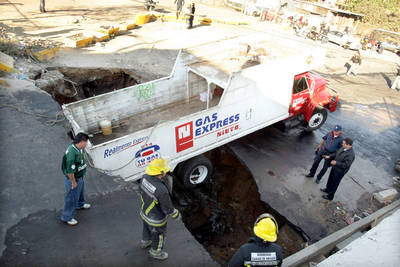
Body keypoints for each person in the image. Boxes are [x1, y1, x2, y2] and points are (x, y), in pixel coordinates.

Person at [139, 158, 180, 260]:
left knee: (147, 228)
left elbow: (140, 190)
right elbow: (167, 208)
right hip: (156, 219)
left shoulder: (144, 177)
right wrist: (176, 214)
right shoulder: (162, 190)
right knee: (159, 235)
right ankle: (156, 252)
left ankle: (145, 242)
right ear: (161, 173)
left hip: (144, 212)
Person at [61, 132, 91, 225]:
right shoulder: (71, 154)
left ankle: (80, 204)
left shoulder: (79, 148)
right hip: (73, 179)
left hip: (80, 176)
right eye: (86, 142)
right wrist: (73, 182)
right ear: (81, 142)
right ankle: (67, 217)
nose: (87, 144)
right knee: (71, 198)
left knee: (80, 192)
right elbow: (70, 172)